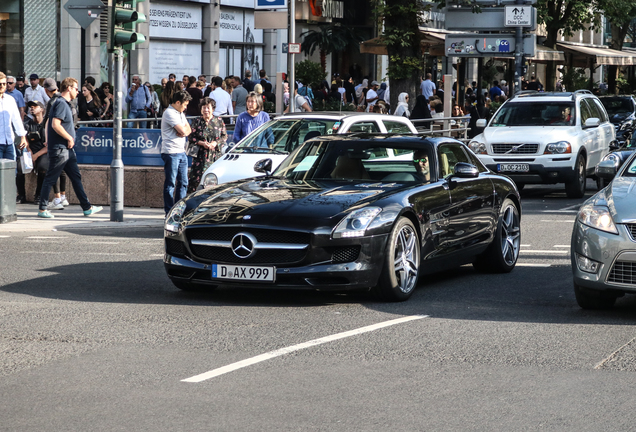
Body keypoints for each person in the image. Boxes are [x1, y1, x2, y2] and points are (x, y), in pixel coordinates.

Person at [37, 77, 102, 218]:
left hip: (67, 150)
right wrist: (69, 137)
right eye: (76, 89)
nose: (78, 92)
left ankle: (87, 207)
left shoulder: (64, 103)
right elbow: (55, 124)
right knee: (50, 178)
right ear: (69, 88)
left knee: (76, 177)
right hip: (61, 149)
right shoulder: (60, 103)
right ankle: (42, 209)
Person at [160, 90, 192, 214]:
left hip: (181, 151)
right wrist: (183, 131)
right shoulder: (169, 113)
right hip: (171, 152)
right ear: (178, 102)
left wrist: (184, 131)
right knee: (170, 183)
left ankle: (179, 210)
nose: (186, 107)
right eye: (184, 105)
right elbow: (184, 131)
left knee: (184, 182)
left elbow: (188, 129)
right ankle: (169, 211)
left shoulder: (180, 113)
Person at [187, 97, 227, 193]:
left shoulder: (219, 121)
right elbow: (191, 137)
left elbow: (224, 136)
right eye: (204, 108)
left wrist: (215, 143)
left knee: (214, 182)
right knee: (196, 182)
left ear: (212, 109)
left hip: (215, 156)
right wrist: (201, 143)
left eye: (208, 108)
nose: (206, 110)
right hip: (200, 157)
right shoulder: (197, 121)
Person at [23, 101, 48, 202]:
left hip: (42, 153)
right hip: (29, 153)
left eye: (35, 106)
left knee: (43, 167)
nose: (31, 108)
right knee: (19, 169)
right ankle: (21, 196)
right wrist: (29, 152)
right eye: (30, 107)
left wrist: (36, 156)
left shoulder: (46, 125)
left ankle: (38, 195)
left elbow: (48, 146)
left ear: (41, 110)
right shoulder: (27, 124)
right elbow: (24, 140)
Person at [0, 72, 27, 163]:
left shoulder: (10, 99)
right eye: (0, 84)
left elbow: (16, 119)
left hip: (9, 142)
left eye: (4, 83)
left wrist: (22, 136)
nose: (2, 86)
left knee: (11, 171)